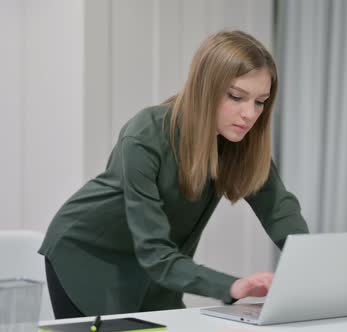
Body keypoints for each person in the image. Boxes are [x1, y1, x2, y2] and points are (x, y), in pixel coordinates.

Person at [38, 30, 309, 319]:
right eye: (236, 97)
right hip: (89, 258)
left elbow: (279, 210)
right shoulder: (146, 135)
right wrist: (232, 286)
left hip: (159, 269)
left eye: (260, 101)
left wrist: (311, 261)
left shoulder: (241, 144)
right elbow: (153, 250)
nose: (249, 114)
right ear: (205, 88)